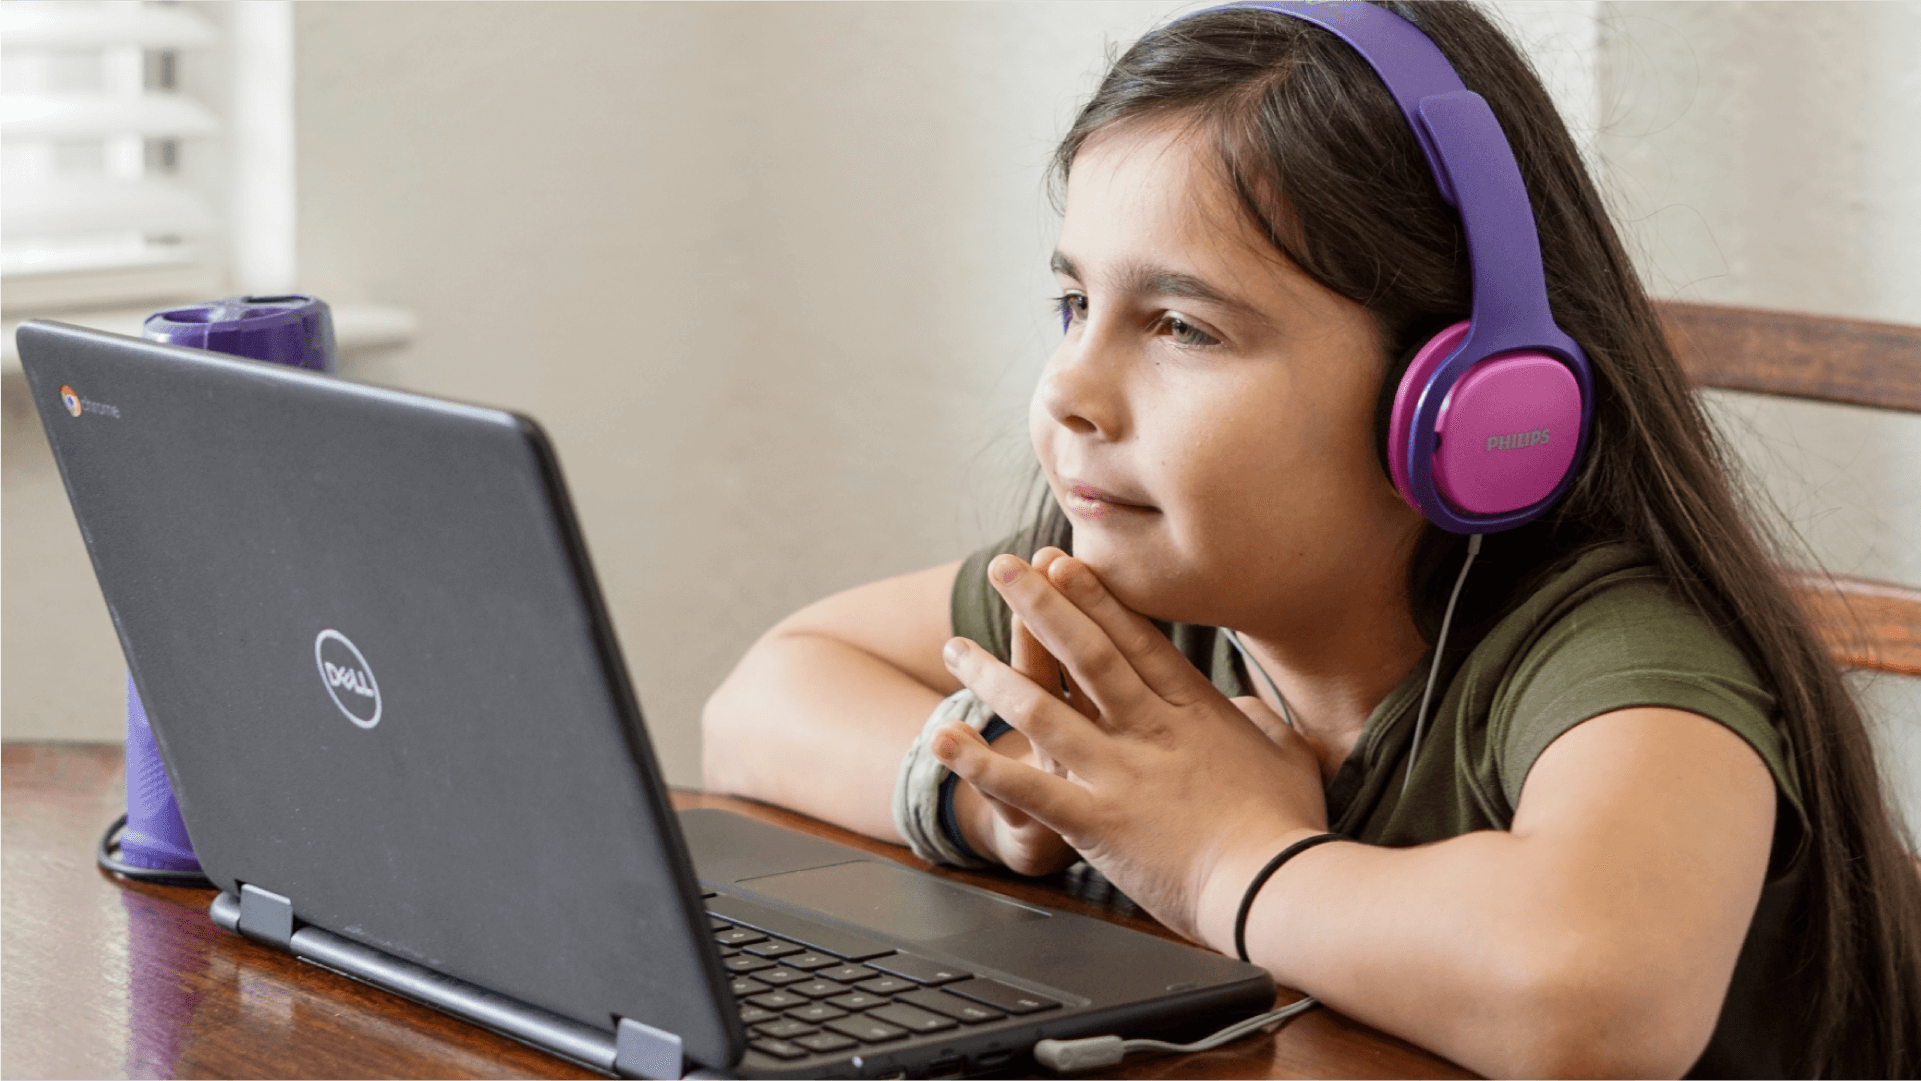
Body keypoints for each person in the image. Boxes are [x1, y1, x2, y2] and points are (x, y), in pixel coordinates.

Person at [701, 2, 1921, 1077]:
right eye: (1075, 302)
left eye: (1180, 325)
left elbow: (1592, 1000)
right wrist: (1000, 803)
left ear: (1462, 403)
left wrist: (1223, 856)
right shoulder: (1142, 589)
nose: (1068, 387)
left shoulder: (1602, 654)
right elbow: (758, 701)